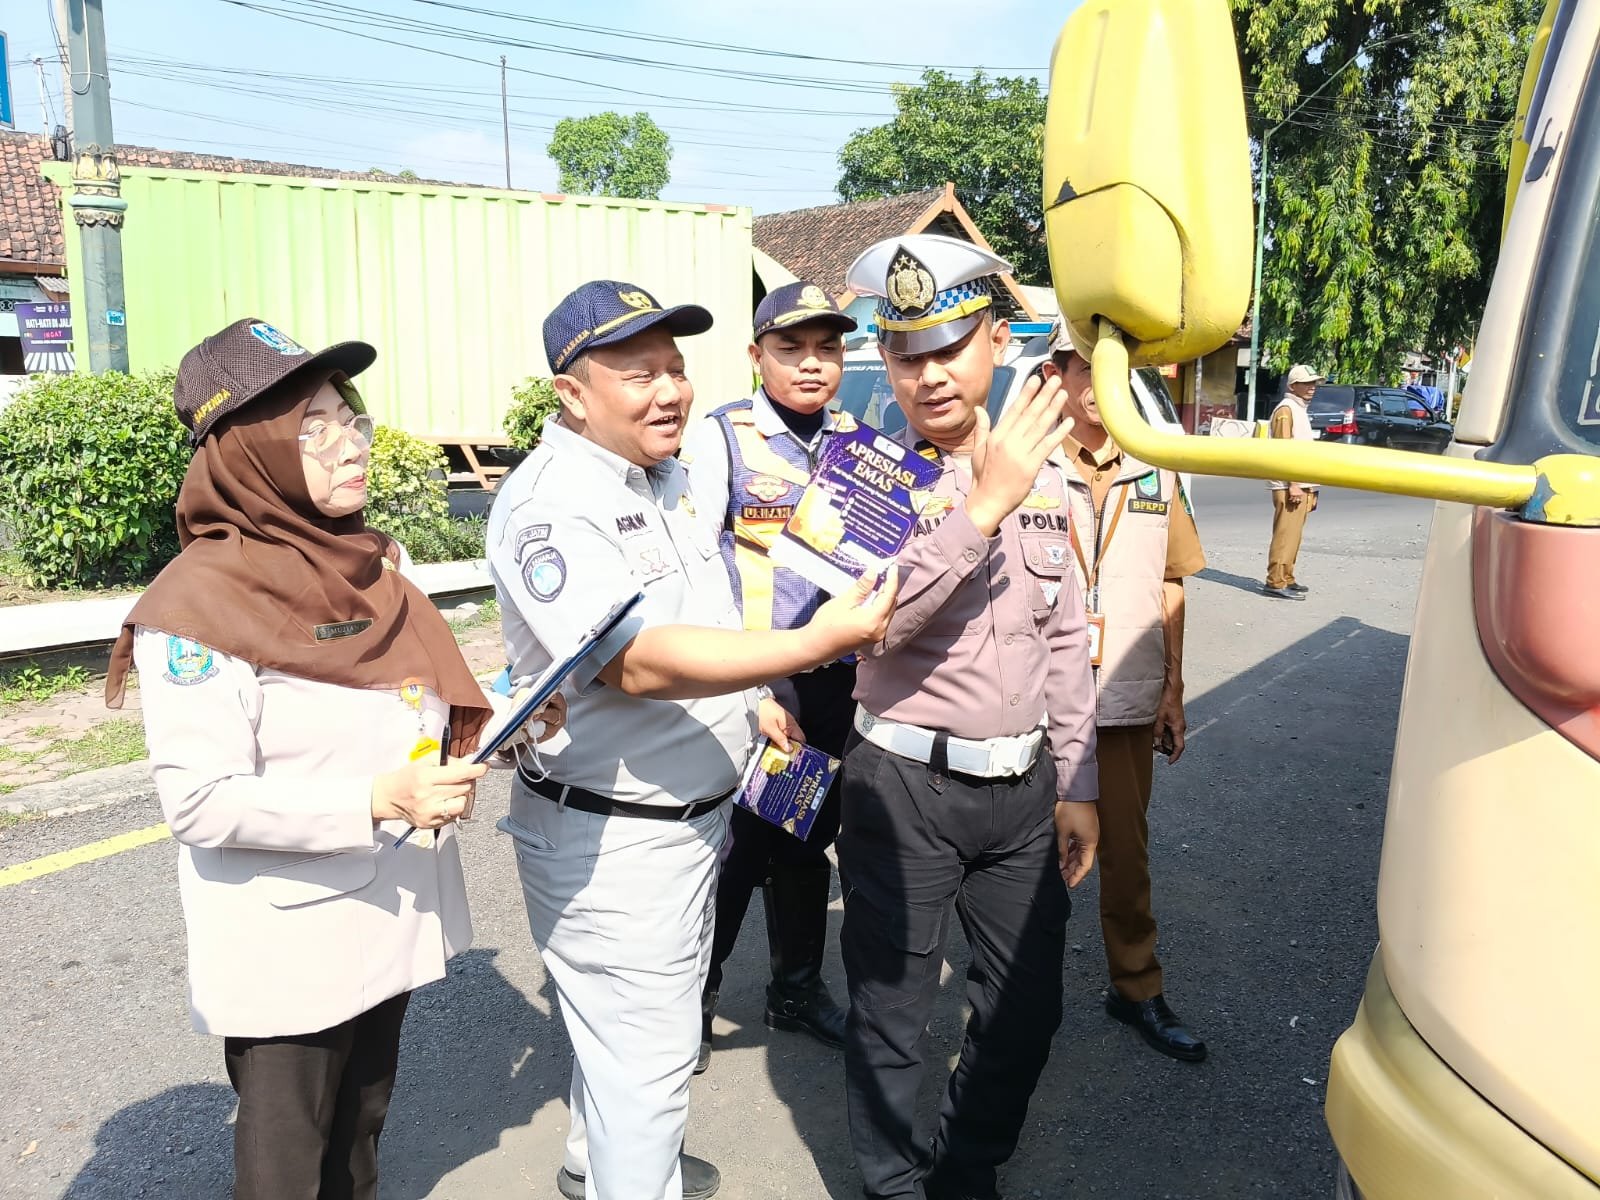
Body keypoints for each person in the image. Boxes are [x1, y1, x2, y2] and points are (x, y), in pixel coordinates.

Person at [103, 318, 563, 1200]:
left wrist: (512, 722)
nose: (352, 442)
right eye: (315, 425)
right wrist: (379, 799)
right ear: (252, 451)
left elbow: (409, 716)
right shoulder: (196, 607)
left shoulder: (369, 566)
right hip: (291, 940)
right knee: (286, 1166)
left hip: (382, 912)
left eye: (349, 415)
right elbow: (198, 804)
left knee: (360, 1136)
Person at [487, 280, 897, 1200]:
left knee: (622, 1045)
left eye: (675, 368)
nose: (669, 390)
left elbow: (702, 607)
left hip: (680, 819)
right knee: (653, 1074)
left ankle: (595, 1160)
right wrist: (811, 644)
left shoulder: (663, 476)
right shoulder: (552, 505)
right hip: (618, 836)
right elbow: (630, 661)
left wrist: (753, 693)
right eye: (638, 374)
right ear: (571, 391)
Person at [836, 235, 1100, 1200]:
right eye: (907, 356)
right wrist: (980, 509)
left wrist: (1079, 783)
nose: (929, 375)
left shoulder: (1051, 474)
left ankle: (966, 1167)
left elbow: (1067, 639)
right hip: (901, 783)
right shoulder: (859, 477)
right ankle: (895, 1185)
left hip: (1024, 789)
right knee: (894, 1012)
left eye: (949, 348)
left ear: (995, 343)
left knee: (1028, 1010)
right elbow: (873, 629)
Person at [680, 281, 859, 1072]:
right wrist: (748, 693)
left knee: (802, 841)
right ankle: (695, 1001)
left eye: (827, 348)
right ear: (757, 357)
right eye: (791, 349)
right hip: (759, 684)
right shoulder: (723, 439)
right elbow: (694, 569)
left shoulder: (862, 442)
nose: (812, 365)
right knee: (737, 853)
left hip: (835, 683)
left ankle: (794, 989)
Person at [1041, 336, 1209, 1062]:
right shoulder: (1026, 466)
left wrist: (1172, 687)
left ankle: (1136, 988)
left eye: (1118, 371)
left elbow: (1172, 581)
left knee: (1126, 857)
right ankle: (1018, 992)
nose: (1102, 385)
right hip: (1038, 700)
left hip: (1126, 694)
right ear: (1057, 374)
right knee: (1028, 857)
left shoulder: (1157, 468)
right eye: (1086, 367)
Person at [1264, 364, 1323, 599]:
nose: (1312, 387)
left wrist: (1311, 486)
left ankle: (1287, 576)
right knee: (1285, 534)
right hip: (1289, 484)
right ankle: (1276, 581)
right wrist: (1294, 483)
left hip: (1301, 483)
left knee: (1295, 535)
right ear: (1293, 386)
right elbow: (1284, 451)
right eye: (1307, 383)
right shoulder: (1286, 410)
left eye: (1314, 383)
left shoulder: (1298, 409)